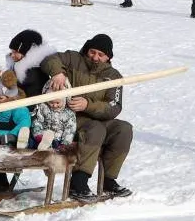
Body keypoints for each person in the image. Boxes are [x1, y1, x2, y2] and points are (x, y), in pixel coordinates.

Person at [40, 34, 133, 201]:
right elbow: (49, 59)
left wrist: (88, 105)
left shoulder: (114, 76)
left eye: (100, 54)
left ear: (108, 57)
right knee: (95, 129)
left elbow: (114, 106)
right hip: (70, 118)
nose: (95, 57)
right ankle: (78, 182)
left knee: (124, 129)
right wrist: (57, 73)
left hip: (98, 118)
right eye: (92, 52)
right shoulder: (73, 59)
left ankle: (109, 180)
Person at [0, 29, 55, 193]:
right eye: (11, 52)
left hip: (29, 120)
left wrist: (11, 100)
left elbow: (30, 99)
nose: (12, 55)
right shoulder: (18, 68)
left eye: (16, 52)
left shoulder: (33, 72)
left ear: (28, 52)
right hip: (16, 112)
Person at [31, 78, 77, 150]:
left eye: (57, 103)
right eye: (51, 102)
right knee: (33, 139)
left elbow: (70, 130)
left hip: (57, 138)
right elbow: (38, 121)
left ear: (64, 100)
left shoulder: (69, 113)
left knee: (55, 145)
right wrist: (38, 134)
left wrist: (65, 143)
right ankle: (26, 141)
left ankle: (48, 146)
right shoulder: (43, 107)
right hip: (42, 136)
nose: (54, 105)